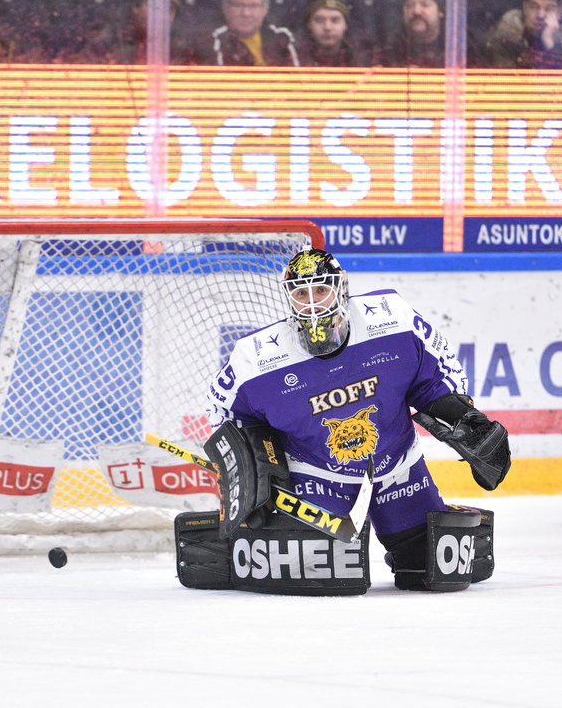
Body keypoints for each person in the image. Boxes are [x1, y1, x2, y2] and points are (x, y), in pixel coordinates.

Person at [199, 249, 510, 592]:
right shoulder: (256, 359)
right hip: (315, 474)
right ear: (289, 298)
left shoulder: (393, 319)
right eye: (301, 293)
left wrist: (462, 415)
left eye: (321, 289)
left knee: (431, 568)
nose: (313, 303)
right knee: (322, 572)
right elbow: (222, 412)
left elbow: (438, 372)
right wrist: (253, 462)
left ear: (341, 287)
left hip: (397, 463)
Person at [204, 0, 300, 65]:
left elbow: (296, 78)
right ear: (225, 8)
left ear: (265, 9)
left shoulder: (282, 38)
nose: (246, 13)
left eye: (254, 6)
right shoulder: (213, 42)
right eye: (238, 5)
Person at [386, 0, 445, 67]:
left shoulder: (458, 46)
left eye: (425, 5)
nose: (416, 11)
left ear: (440, 11)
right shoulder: (390, 47)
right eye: (409, 5)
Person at [297, 0, 372, 65]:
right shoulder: (295, 59)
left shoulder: (364, 60)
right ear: (309, 24)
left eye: (335, 20)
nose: (327, 27)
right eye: (319, 20)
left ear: (345, 25)